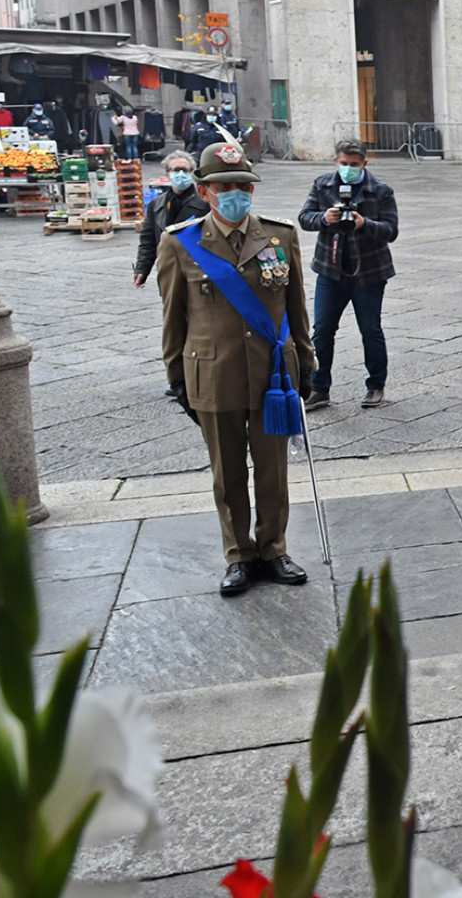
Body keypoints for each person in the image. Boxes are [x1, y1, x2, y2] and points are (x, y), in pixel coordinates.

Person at [156, 141, 316, 596]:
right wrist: (176, 378)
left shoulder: (279, 236)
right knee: (227, 473)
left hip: (273, 375)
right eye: (225, 186)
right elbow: (174, 318)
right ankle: (238, 555)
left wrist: (306, 362)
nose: (236, 194)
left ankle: (273, 549)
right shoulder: (180, 243)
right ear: (205, 191)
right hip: (212, 373)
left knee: (272, 471)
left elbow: (295, 307)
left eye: (243, 186)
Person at [298, 139, 400, 411]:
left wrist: (364, 223)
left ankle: (376, 385)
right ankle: (319, 388)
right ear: (336, 161)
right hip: (330, 271)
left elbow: (391, 229)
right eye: (343, 164)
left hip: (369, 272)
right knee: (322, 330)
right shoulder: (323, 185)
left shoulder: (380, 191)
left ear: (364, 164)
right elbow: (304, 217)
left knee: (370, 329)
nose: (348, 169)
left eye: (354, 165)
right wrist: (324, 218)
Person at [134, 151, 210, 289]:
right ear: (167, 174)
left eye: (185, 170)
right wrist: (141, 270)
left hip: (198, 271)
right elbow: (148, 240)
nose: (180, 174)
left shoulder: (206, 204)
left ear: (192, 173)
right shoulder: (156, 204)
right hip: (168, 271)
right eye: (176, 170)